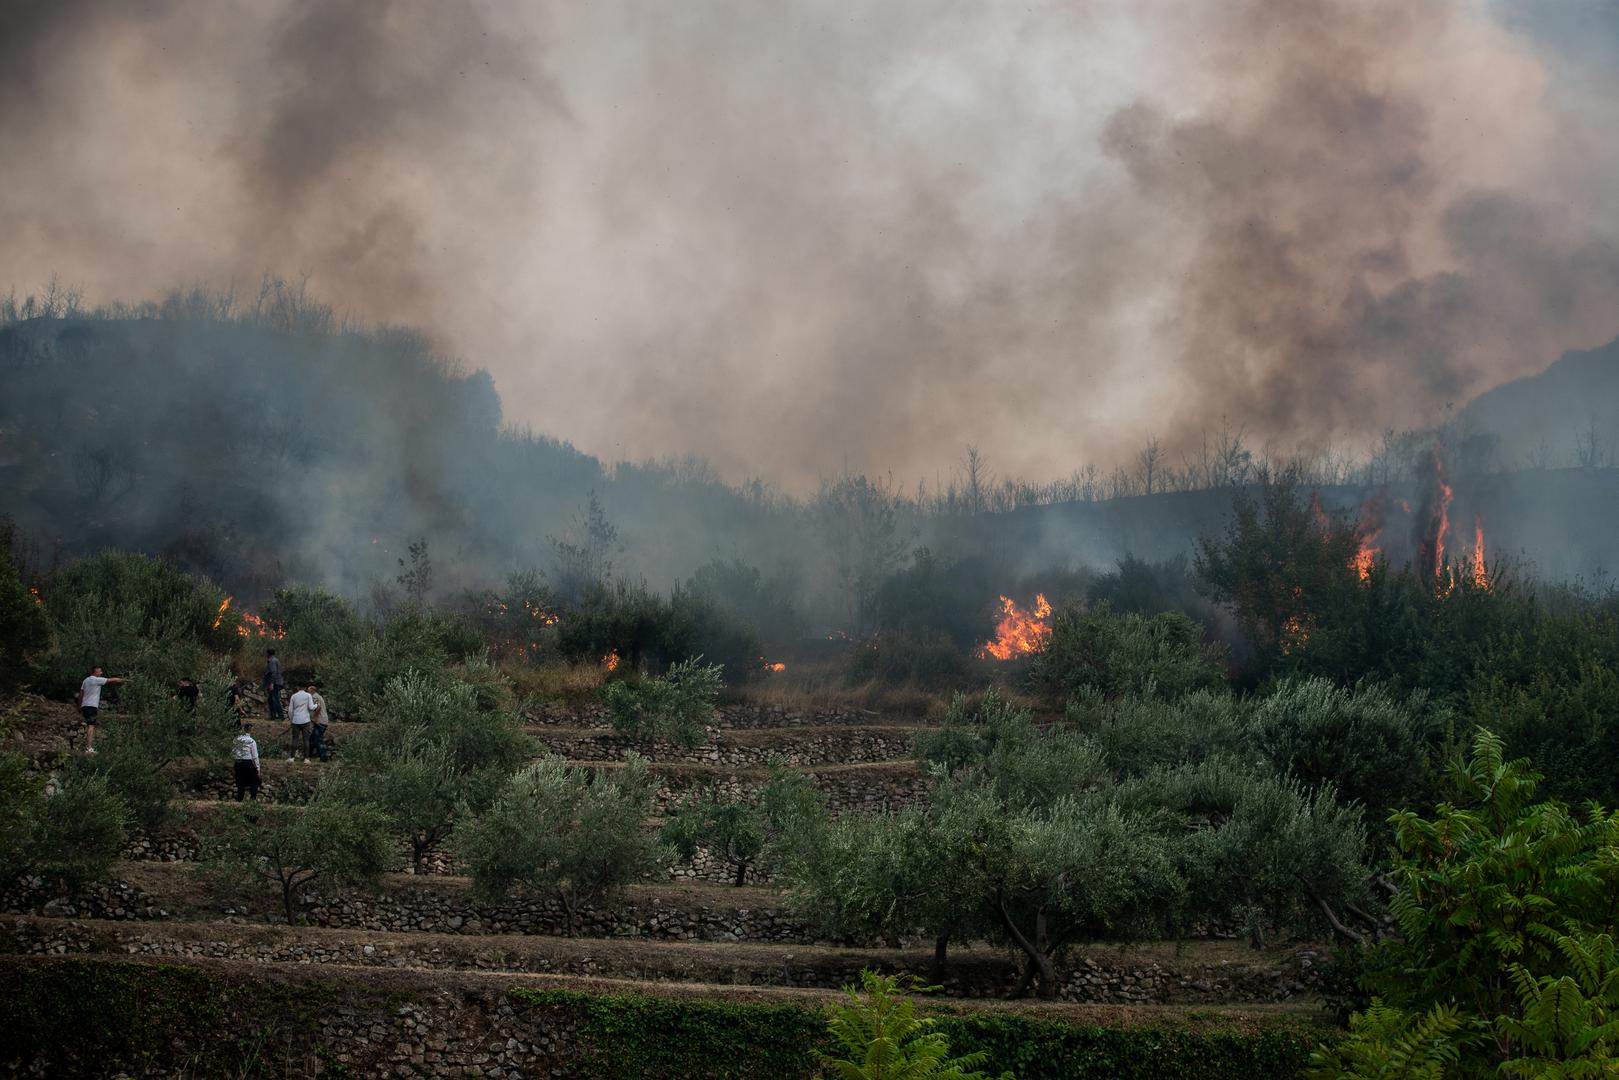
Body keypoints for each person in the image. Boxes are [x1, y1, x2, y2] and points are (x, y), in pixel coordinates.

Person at [77, 665, 124, 755]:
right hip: (92, 706)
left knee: (89, 725)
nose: (101, 673)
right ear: (95, 672)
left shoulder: (86, 680)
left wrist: (79, 706)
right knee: (91, 726)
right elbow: (111, 680)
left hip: (85, 706)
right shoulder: (97, 680)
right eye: (100, 671)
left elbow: (81, 694)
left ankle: (87, 747)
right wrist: (121, 680)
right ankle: (89, 748)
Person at [232, 723, 262, 801]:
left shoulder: (236, 739)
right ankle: (253, 798)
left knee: (240, 781)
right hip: (247, 762)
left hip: (238, 762)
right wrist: (258, 768)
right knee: (255, 780)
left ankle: (239, 799)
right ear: (251, 730)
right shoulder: (251, 741)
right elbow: (255, 756)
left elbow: (233, 752)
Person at [286, 683, 314, 761]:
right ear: (305, 688)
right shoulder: (308, 695)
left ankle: (292, 757)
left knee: (295, 739)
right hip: (305, 720)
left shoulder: (293, 696)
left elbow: (290, 710)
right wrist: (316, 705)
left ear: (298, 687)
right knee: (306, 740)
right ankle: (306, 758)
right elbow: (311, 707)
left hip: (296, 720)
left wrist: (291, 719)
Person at [307, 683, 330, 763]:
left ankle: (323, 756)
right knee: (312, 739)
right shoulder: (319, 696)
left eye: (308, 691)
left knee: (318, 739)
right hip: (323, 721)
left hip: (319, 722)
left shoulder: (314, 697)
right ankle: (308, 756)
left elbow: (318, 707)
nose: (307, 693)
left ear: (312, 690)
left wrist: (314, 718)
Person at [263, 648, 284, 721]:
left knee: (275, 699)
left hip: (275, 683)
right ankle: (273, 716)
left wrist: (271, 683)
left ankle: (280, 716)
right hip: (276, 682)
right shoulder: (274, 660)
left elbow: (274, 672)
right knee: (271, 699)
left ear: (268, 653)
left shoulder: (272, 661)